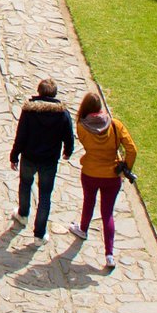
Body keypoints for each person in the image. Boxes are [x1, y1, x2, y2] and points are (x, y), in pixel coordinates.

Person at [70, 90, 138, 271]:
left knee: (88, 202)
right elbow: (132, 149)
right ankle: (109, 254)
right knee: (107, 213)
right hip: (111, 175)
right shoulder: (115, 125)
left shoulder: (81, 126)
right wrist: (126, 167)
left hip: (90, 172)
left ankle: (83, 229)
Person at [9, 79, 75, 242]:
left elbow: (21, 135)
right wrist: (68, 151)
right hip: (49, 161)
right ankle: (40, 233)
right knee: (45, 194)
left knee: (25, 184)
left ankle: (23, 214)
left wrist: (14, 155)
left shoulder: (30, 111)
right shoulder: (62, 114)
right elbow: (68, 136)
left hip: (29, 157)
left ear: (39, 92)